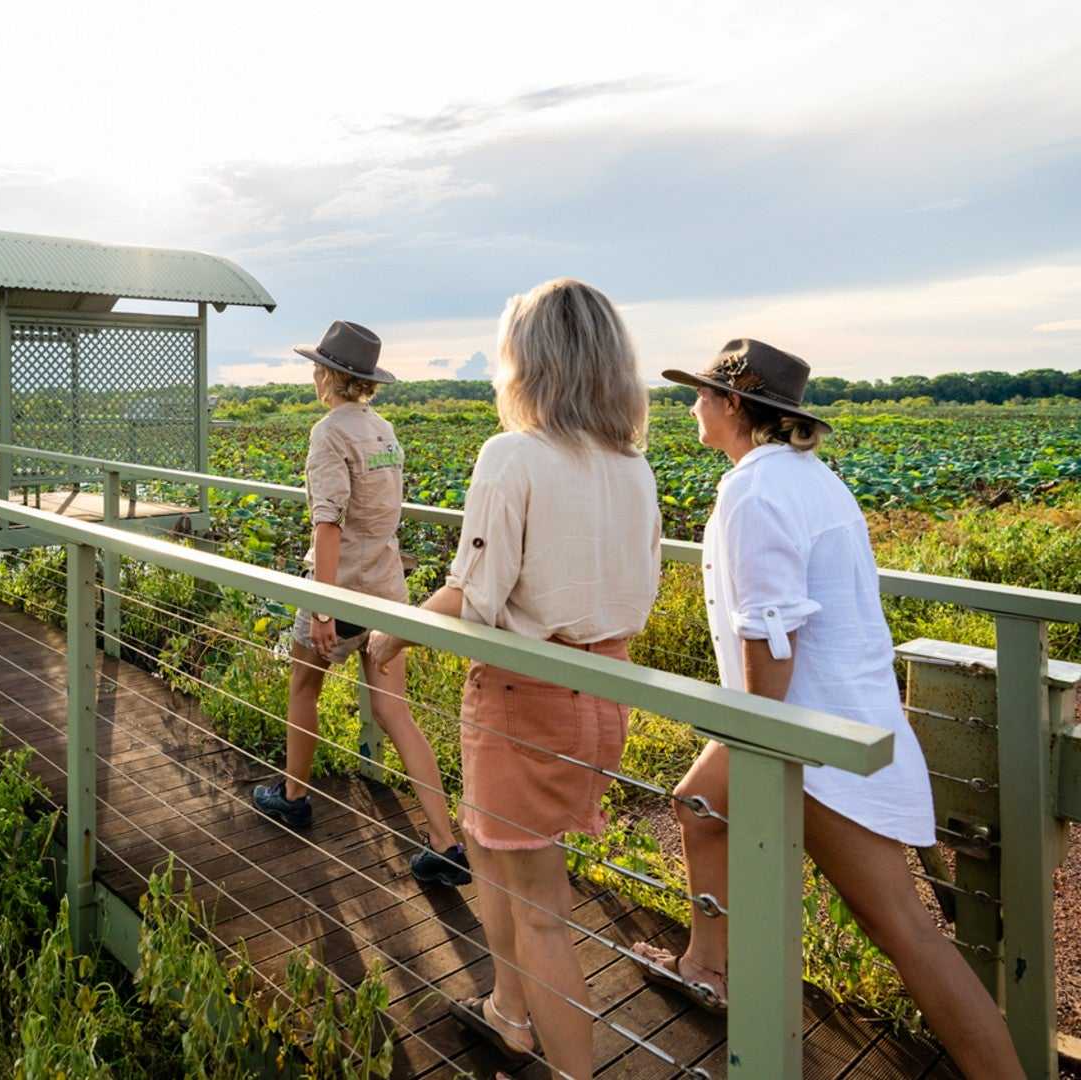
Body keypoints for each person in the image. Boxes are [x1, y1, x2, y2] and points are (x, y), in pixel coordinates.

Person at [632, 340, 1022, 1078]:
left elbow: (772, 634)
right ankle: (707, 965)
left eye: (702, 395)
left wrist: (758, 739)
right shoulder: (809, 478)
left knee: (901, 927)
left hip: (810, 735)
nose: (692, 408)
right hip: (827, 715)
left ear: (736, 405)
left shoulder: (752, 490)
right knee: (696, 805)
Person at [367, 279, 661, 1078]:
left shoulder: (513, 457)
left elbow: (475, 594)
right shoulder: (634, 467)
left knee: (545, 915)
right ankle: (508, 1010)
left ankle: (569, 1069)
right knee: (492, 851)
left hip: (523, 698)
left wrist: (389, 636)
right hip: (607, 690)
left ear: (526, 363)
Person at [250, 319, 470, 889]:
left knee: (304, 686)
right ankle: (446, 843)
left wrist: (321, 609)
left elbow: (327, 524)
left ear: (329, 375)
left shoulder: (329, 433)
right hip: (387, 587)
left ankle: (294, 796)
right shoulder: (385, 431)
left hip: (340, 587)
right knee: (395, 712)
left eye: (317, 366)